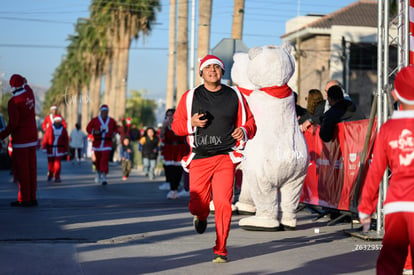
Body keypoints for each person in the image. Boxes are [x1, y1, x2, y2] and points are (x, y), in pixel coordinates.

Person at [171, 55, 256, 263]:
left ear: (222, 72)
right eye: (208, 68)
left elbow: (251, 122)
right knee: (198, 204)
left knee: (223, 204)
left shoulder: (234, 95)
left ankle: (221, 249)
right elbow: (176, 126)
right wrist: (190, 123)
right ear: (201, 73)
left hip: (225, 157)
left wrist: (244, 131)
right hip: (200, 157)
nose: (212, 71)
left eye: (216, 67)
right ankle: (200, 216)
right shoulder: (190, 97)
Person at [358, 65, 414, 274]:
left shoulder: (388, 129)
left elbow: (375, 172)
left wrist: (366, 207)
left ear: (395, 94)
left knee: (390, 260)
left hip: (397, 204)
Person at [0, 74, 38, 207]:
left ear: (12, 86)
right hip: (33, 138)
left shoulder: (13, 102)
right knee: (32, 169)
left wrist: (1, 135)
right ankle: (32, 197)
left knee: (23, 171)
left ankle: (25, 199)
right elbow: (26, 84)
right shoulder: (30, 93)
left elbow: (13, 124)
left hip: (21, 141)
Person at [159, 108, 190, 199]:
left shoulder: (180, 124)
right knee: (169, 169)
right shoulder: (165, 126)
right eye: (168, 115)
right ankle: (173, 189)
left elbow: (183, 135)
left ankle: (175, 189)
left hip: (180, 148)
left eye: (171, 114)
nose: (169, 117)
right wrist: (164, 127)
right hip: (169, 149)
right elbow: (161, 136)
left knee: (178, 170)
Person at [86, 104, 118, 185]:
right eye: (103, 112)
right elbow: (88, 128)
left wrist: (114, 133)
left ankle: (104, 176)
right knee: (98, 160)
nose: (105, 113)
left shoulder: (111, 121)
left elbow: (116, 128)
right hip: (97, 143)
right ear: (100, 112)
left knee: (104, 159)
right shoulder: (95, 120)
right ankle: (97, 173)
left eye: (106, 112)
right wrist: (94, 132)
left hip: (107, 143)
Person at [42, 115, 69, 182]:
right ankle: (50, 175)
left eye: (59, 120)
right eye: (56, 120)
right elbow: (46, 138)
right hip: (50, 149)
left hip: (59, 149)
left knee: (57, 163)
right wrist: (44, 147)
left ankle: (57, 177)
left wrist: (66, 149)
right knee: (50, 164)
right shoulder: (50, 128)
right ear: (54, 120)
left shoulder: (63, 129)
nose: (58, 121)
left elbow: (66, 140)